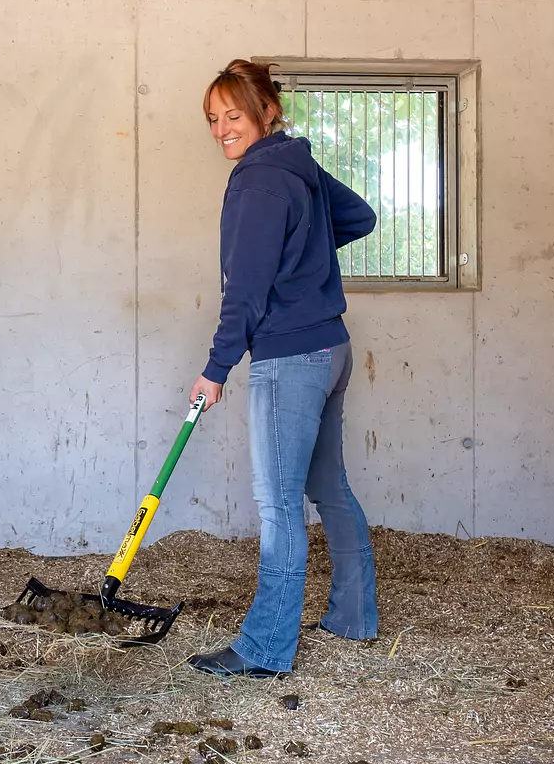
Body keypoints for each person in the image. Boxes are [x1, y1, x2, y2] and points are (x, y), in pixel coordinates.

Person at [186, 59, 379, 679]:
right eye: (213, 120)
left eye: (233, 116)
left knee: (277, 508)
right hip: (331, 348)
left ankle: (266, 648)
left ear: (266, 111)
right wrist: (305, 260)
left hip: (291, 357)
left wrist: (216, 368)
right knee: (329, 488)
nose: (221, 130)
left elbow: (242, 289)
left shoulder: (256, 181)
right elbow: (361, 218)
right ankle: (354, 616)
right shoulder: (300, 167)